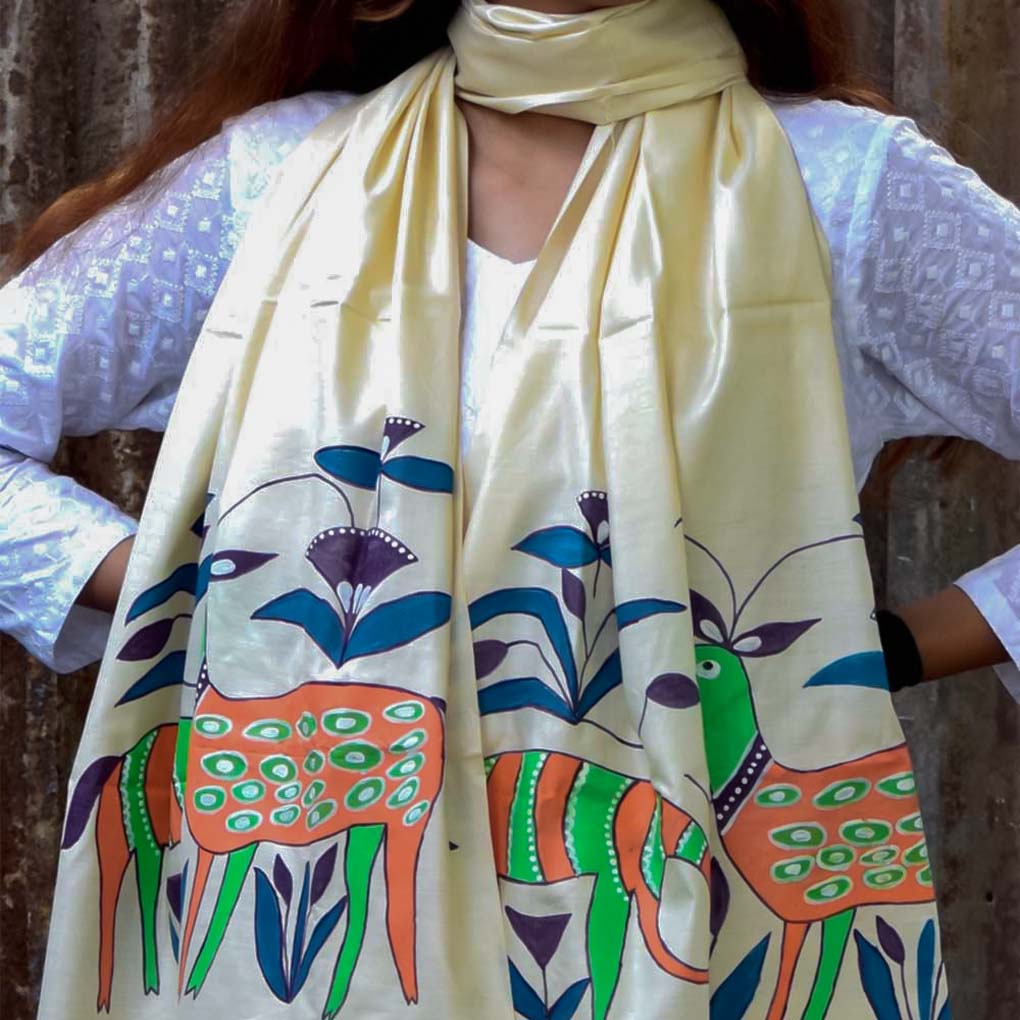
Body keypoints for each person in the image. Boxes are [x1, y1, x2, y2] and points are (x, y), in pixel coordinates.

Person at [1, 1, 1016, 1018]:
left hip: (696, 910)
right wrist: (188, 586)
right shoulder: (275, 177)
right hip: (310, 887)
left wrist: (897, 645)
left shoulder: (842, 186)